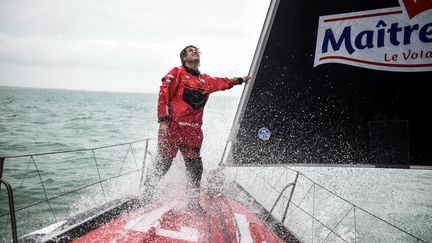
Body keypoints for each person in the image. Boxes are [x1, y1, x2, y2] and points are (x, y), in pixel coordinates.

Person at [143, 45, 250, 214]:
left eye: (196, 50)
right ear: (184, 57)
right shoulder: (176, 72)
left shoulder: (205, 80)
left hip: (192, 132)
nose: (194, 52)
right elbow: (163, 94)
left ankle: (193, 203)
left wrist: (240, 80)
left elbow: (223, 82)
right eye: (190, 50)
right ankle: (146, 194)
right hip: (172, 127)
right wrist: (163, 120)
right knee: (164, 163)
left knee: (195, 167)